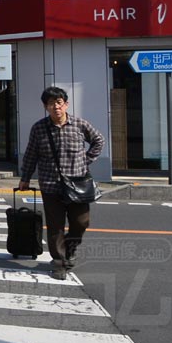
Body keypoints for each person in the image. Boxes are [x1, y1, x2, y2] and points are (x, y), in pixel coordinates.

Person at [19, 86, 104, 280]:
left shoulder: (80, 124)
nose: (55, 106)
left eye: (59, 102)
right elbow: (31, 154)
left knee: (81, 222)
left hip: (78, 185)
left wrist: (86, 160)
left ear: (66, 104)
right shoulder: (39, 128)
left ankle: (70, 249)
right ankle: (59, 262)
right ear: (45, 106)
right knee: (55, 226)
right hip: (51, 185)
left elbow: (99, 140)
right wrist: (25, 177)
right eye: (51, 103)